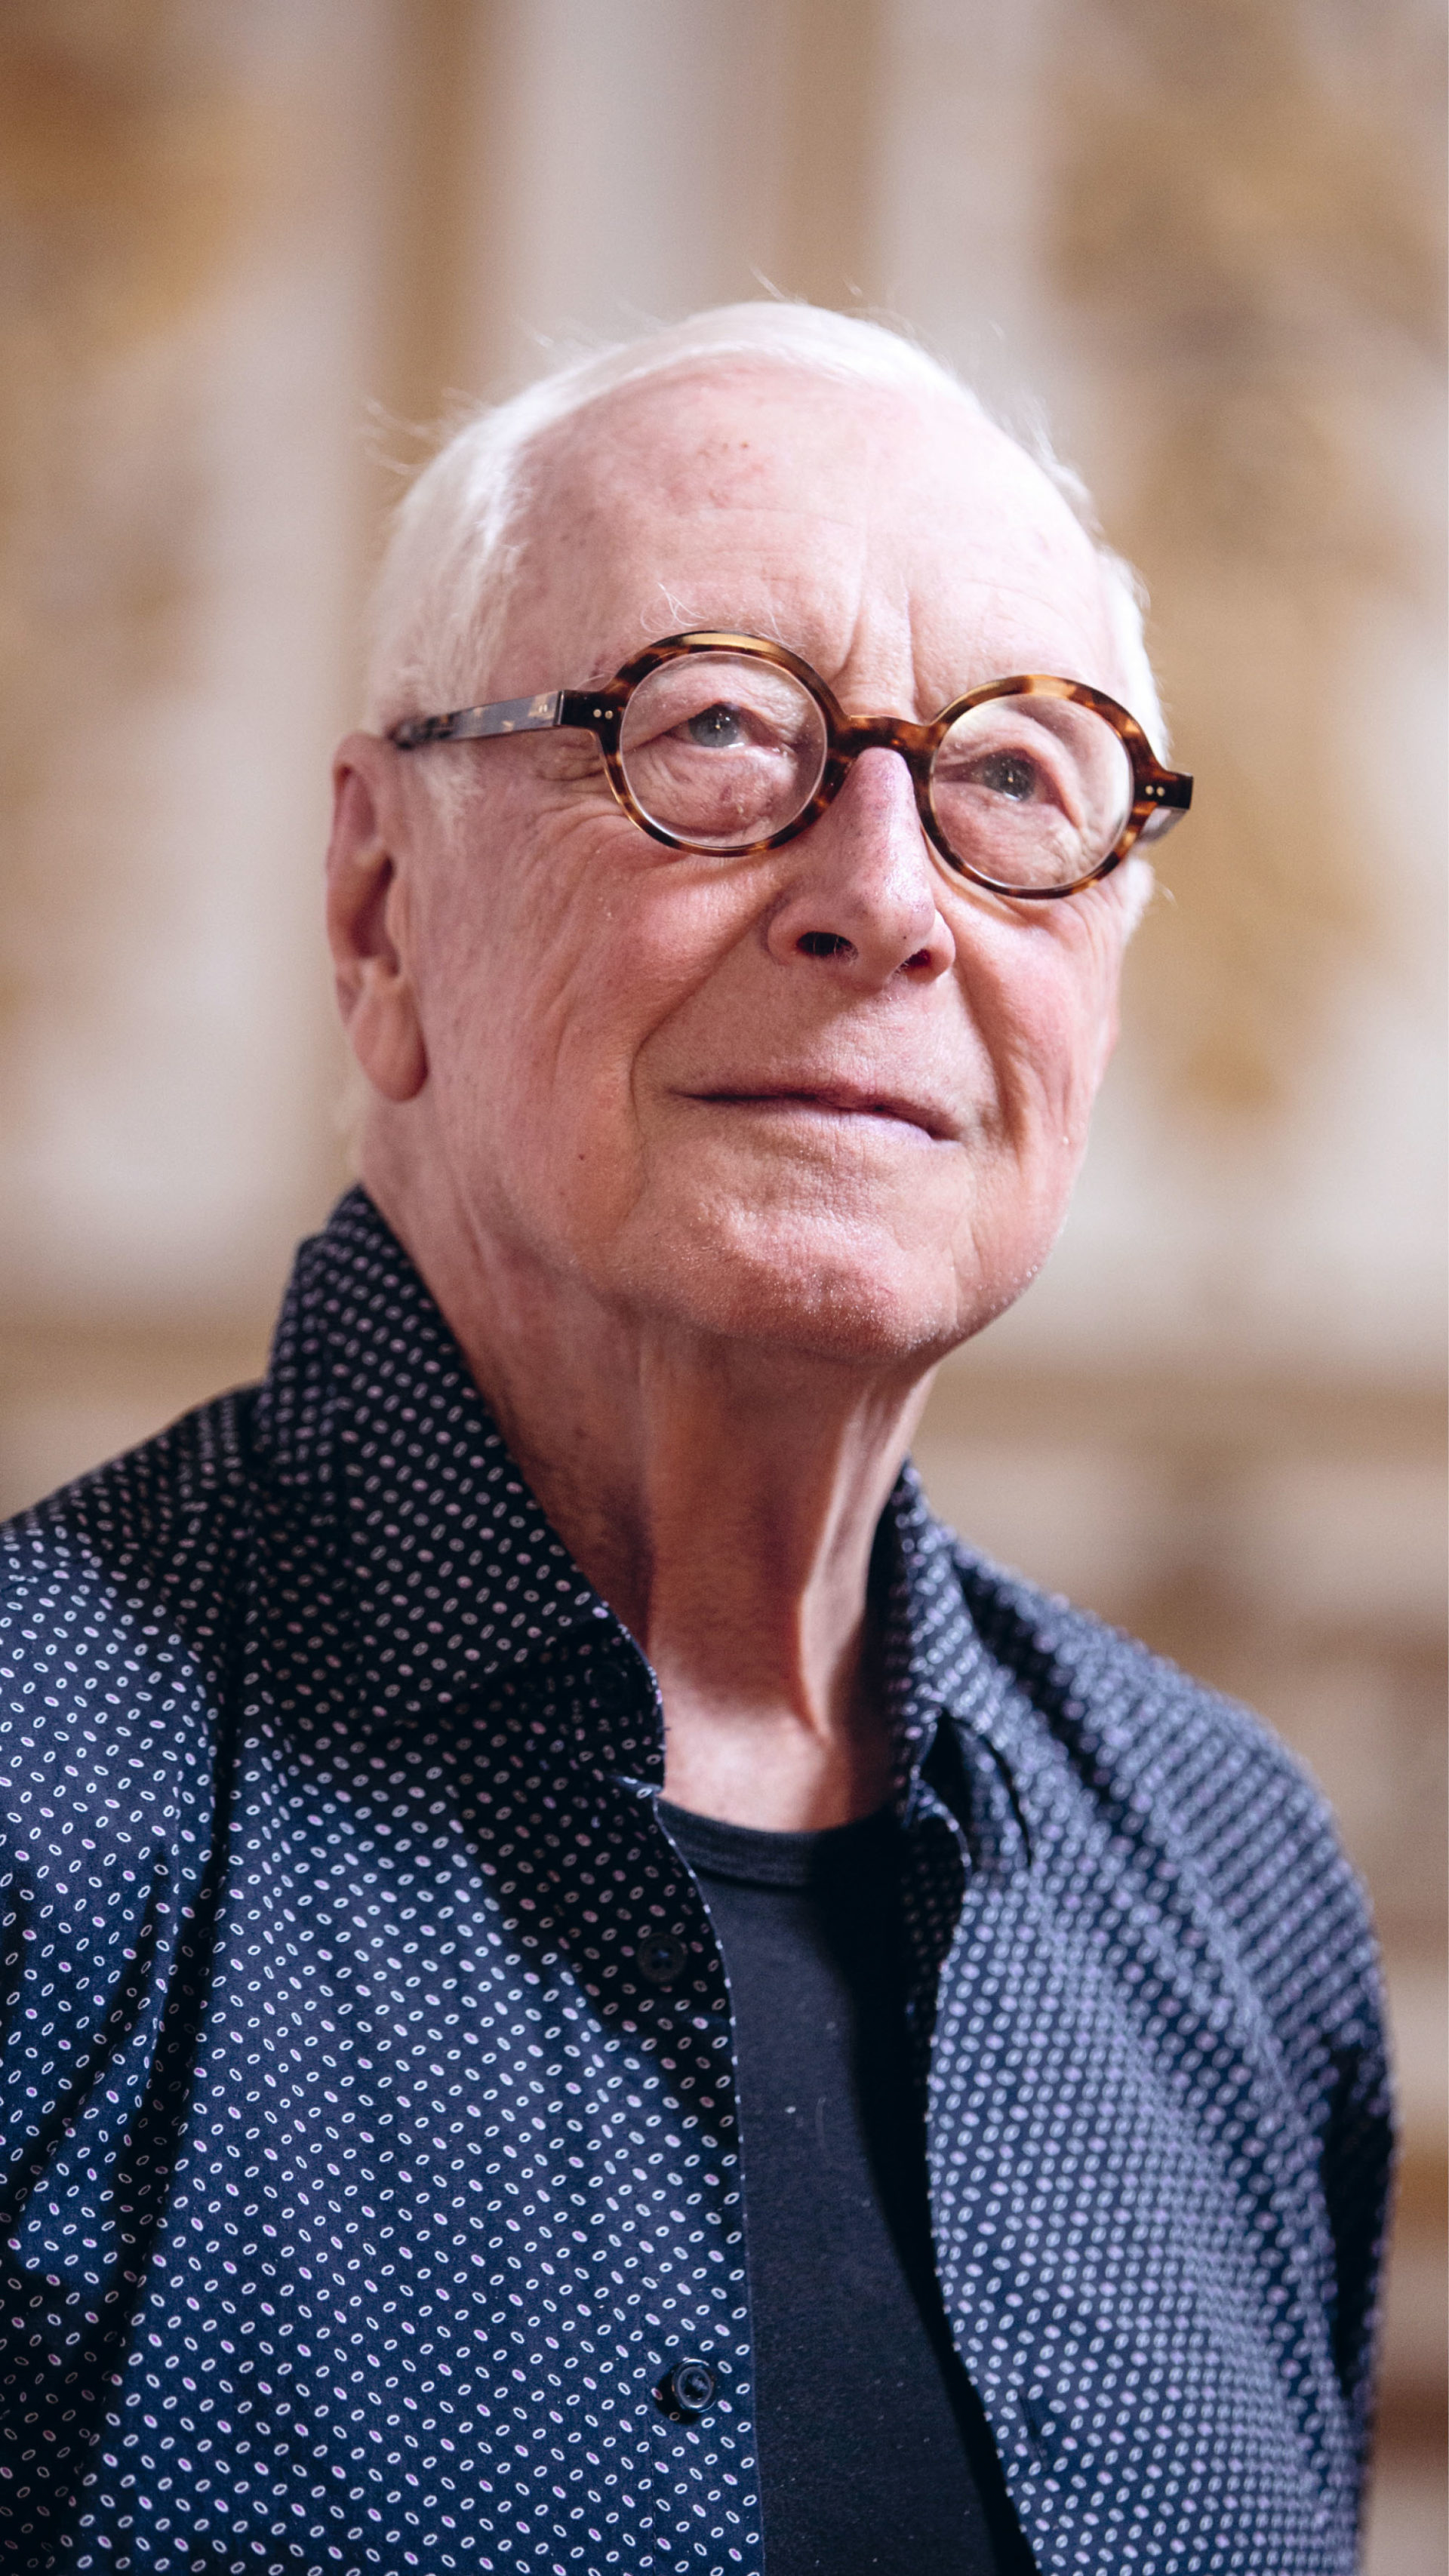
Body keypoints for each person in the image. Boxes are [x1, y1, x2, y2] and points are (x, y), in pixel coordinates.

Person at [0, 304, 1389, 2576]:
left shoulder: (1235, 1873)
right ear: (378, 908)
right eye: (717, 729)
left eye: (1018, 777)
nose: (889, 898)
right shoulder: (38, 1800)